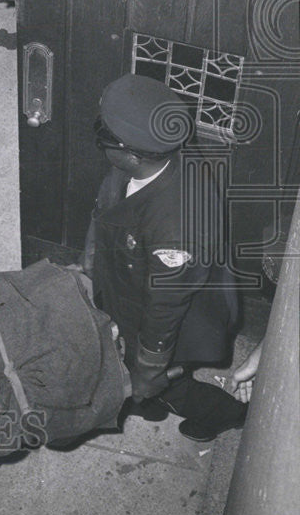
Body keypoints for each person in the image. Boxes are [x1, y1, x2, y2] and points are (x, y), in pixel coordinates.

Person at [84, 73, 247, 442]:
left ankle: (225, 413)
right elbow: (107, 204)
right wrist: (90, 257)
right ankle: (148, 404)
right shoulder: (151, 153)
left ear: (129, 153)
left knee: (163, 385)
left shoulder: (178, 229)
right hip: (133, 287)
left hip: (176, 322)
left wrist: (147, 371)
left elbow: (164, 311)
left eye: (104, 137)